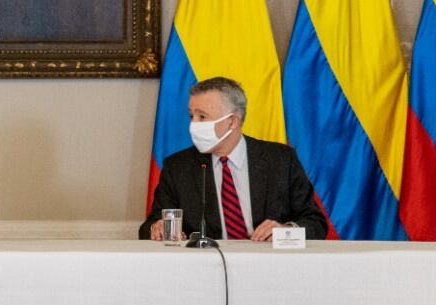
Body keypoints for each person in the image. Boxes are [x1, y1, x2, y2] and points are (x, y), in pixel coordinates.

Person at [140, 77, 328, 241]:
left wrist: (285, 232)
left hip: (270, 265)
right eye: (191, 116)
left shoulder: (281, 159)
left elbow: (315, 223)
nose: (193, 125)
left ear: (232, 122)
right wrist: (157, 228)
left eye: (202, 117)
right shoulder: (178, 167)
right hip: (205, 270)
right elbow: (149, 226)